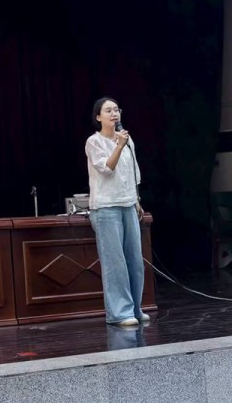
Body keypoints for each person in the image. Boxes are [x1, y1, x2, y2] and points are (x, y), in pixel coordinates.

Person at [85, 96, 149, 327]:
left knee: (135, 261)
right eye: (108, 111)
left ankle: (135, 308)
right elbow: (107, 169)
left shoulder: (128, 141)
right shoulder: (94, 142)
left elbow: (133, 172)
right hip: (106, 207)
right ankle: (119, 313)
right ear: (98, 117)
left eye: (116, 110)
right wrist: (119, 145)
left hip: (128, 203)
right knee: (115, 263)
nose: (114, 114)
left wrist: (136, 200)